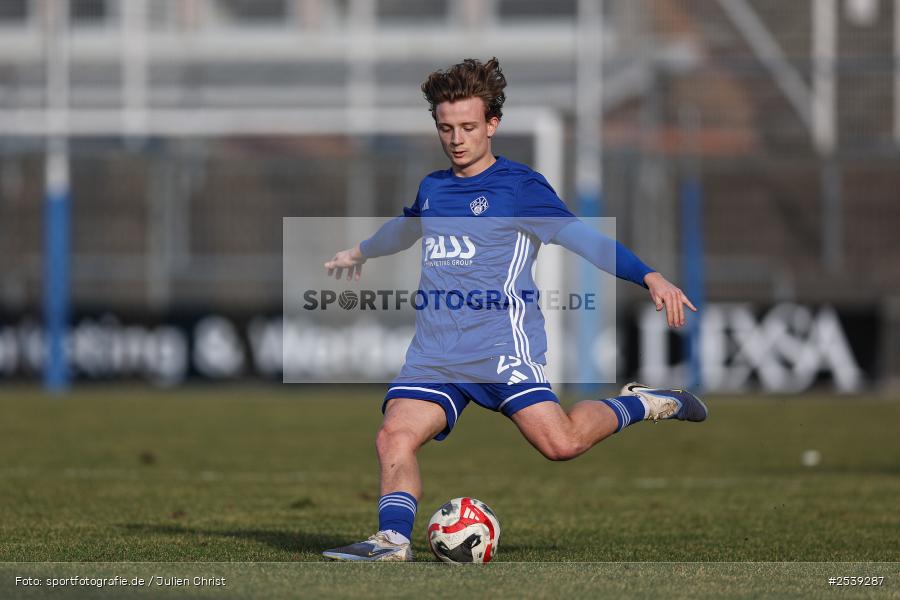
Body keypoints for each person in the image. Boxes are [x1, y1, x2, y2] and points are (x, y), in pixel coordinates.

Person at [321, 58, 706, 562]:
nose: (456, 139)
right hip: (436, 354)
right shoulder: (434, 188)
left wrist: (649, 276)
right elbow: (404, 228)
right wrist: (360, 252)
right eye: (446, 128)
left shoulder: (520, 187)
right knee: (394, 435)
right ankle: (392, 541)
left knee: (562, 444)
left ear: (492, 124)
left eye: (468, 127)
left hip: (502, 348)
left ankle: (644, 403)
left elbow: (587, 241)